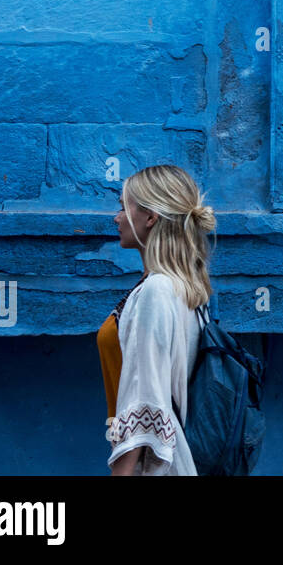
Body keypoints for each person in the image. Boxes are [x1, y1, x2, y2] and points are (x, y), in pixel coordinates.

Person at [96, 164, 214, 475]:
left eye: (123, 207)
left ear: (150, 218)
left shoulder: (157, 291)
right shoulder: (184, 289)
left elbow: (144, 401)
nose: (116, 217)